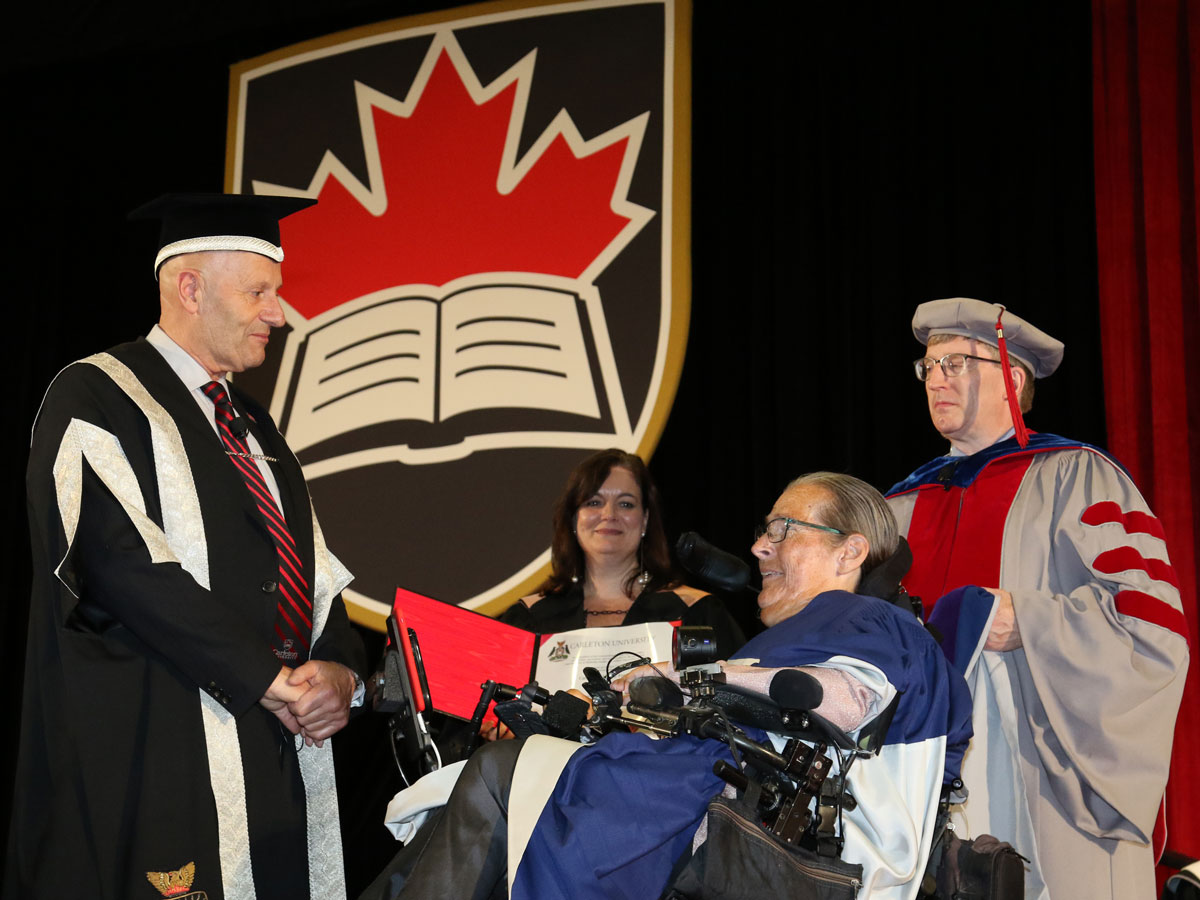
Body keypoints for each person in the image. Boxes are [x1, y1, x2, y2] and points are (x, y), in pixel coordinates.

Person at [369, 473, 972, 900]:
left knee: (503, 772)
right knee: (488, 786)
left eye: (783, 530)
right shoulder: (828, 624)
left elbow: (844, 698)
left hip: (745, 822)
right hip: (712, 795)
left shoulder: (869, 619)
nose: (760, 546)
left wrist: (685, 679)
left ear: (851, 551)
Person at [6, 194, 367, 900]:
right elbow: (118, 562)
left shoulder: (255, 427)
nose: (280, 313)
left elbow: (313, 573)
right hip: (153, 750)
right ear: (190, 287)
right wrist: (269, 677)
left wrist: (337, 676)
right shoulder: (94, 396)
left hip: (272, 749)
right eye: (259, 291)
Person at [886, 297, 1189, 900]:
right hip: (918, 768)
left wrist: (1030, 620)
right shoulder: (899, 507)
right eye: (929, 367)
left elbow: (1148, 624)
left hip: (1036, 741)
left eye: (956, 363)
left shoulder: (1079, 475)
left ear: (1012, 378)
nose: (936, 379)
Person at [500, 447, 745, 654]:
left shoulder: (696, 612)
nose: (609, 515)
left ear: (645, 520)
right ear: (574, 519)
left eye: (626, 504)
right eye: (594, 502)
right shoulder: (528, 619)